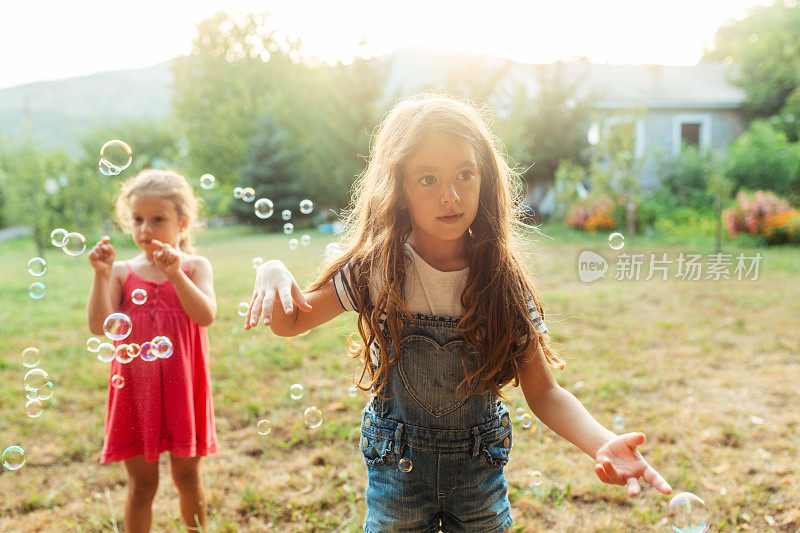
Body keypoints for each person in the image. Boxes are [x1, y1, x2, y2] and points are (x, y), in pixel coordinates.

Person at [245, 92, 672, 532]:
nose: (450, 196)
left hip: (477, 478)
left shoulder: (500, 280)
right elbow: (290, 322)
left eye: (464, 175)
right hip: (398, 477)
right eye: (427, 178)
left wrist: (602, 442)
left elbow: (543, 392)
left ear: (485, 179)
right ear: (399, 188)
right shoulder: (378, 269)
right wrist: (274, 272)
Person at [86, 169, 217, 533]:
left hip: (182, 389)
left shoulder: (194, 267)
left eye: (158, 219)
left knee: (188, 478)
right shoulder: (122, 272)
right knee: (142, 485)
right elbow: (101, 325)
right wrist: (100, 274)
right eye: (138, 219)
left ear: (183, 222)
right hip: (135, 391)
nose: (146, 229)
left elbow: (205, 315)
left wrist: (176, 275)